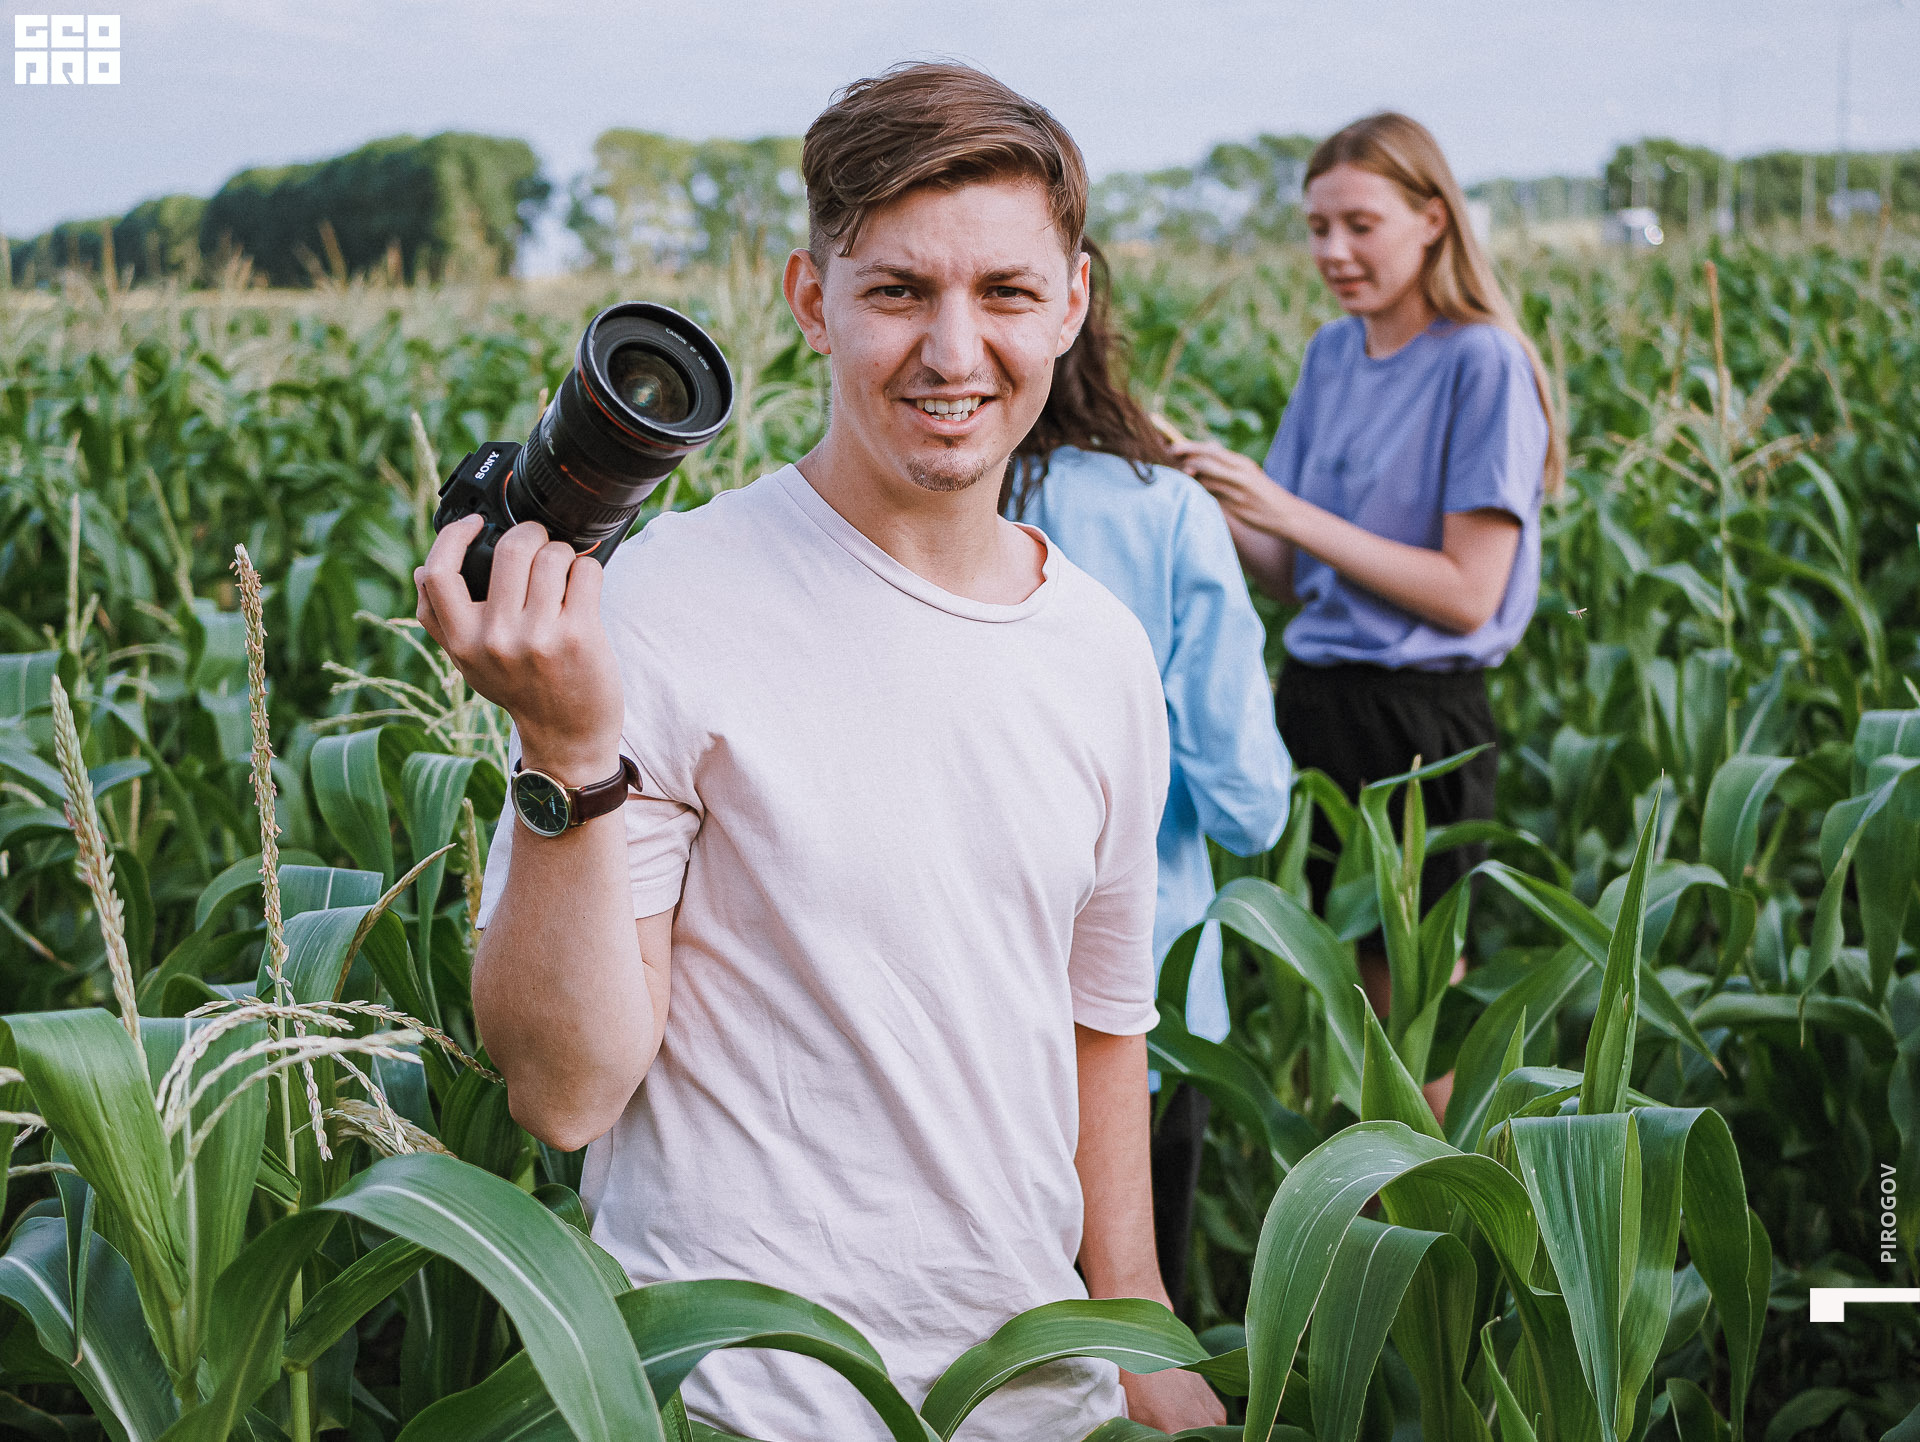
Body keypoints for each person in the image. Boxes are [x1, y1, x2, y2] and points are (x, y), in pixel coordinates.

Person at [415, 62, 1225, 1439]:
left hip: (1036, 1395)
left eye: (1008, 294)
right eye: (900, 291)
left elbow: (1102, 1023)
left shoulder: (1100, 648)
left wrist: (1141, 1335)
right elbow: (563, 1090)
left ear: (1073, 304)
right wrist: (562, 746)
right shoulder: (670, 601)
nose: (955, 351)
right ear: (813, 300)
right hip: (742, 1391)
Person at [1167, 112, 1560, 1122]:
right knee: (1331, 1015)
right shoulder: (1333, 356)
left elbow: (1469, 589)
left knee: (1408, 1025)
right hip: (1317, 706)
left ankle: (1444, 1256)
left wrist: (1289, 508)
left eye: (1359, 225)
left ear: (1432, 219)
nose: (1332, 253)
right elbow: (1297, 574)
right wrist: (1196, 491)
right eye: (1315, 228)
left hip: (1419, 730)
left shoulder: (1484, 363)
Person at [1001, 237, 1292, 1313]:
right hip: (1150, 1005)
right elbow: (1251, 802)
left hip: (951, 1022)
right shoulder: (1163, 512)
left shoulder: (899, 509)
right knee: (1127, 1324)